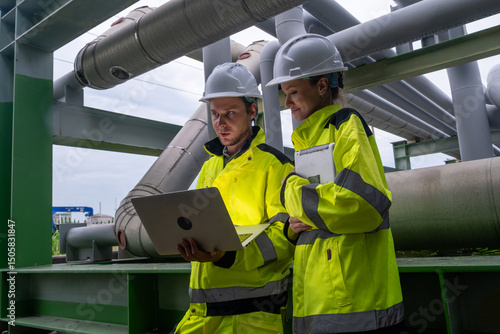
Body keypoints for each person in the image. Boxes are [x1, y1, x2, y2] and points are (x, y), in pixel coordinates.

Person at [267, 34, 405, 334]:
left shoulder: (346, 125)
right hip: (320, 301)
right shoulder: (309, 139)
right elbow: (315, 213)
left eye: (292, 91)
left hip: (356, 304)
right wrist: (295, 222)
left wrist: (291, 191)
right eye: (284, 93)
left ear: (321, 85)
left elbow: (362, 204)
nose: (287, 102)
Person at [173, 62, 295, 334]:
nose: (221, 123)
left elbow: (284, 239)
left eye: (230, 113)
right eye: (215, 114)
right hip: (202, 313)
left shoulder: (275, 167)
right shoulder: (209, 167)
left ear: (252, 111)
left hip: (252, 316)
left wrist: (227, 256)